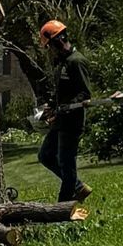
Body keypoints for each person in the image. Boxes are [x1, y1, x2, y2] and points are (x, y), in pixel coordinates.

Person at [36, 21, 92, 202]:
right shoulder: (62, 63)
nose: (50, 50)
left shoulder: (77, 61)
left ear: (58, 40)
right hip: (60, 121)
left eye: (50, 46)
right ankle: (78, 187)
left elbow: (84, 93)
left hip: (72, 122)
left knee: (66, 164)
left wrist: (67, 108)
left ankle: (64, 206)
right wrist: (51, 107)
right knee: (45, 155)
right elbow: (61, 93)